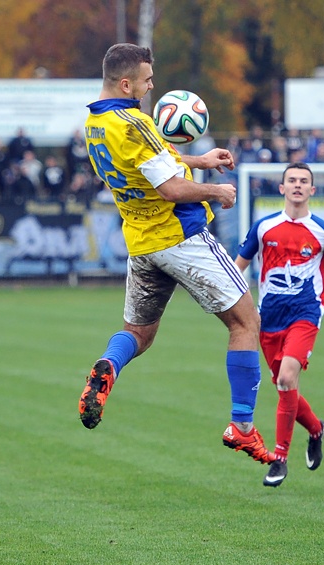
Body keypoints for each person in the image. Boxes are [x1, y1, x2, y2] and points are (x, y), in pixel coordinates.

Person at [77, 43, 273, 468]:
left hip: (142, 245)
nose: (152, 87)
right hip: (182, 236)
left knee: (139, 335)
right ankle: (242, 427)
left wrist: (197, 160)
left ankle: (108, 365)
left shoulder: (96, 123)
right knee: (245, 323)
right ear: (126, 83)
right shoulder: (135, 121)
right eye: (147, 80)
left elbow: (145, 161)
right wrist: (215, 189)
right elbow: (170, 188)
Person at [234, 162, 324, 487]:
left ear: (312, 190)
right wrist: (239, 309)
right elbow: (236, 268)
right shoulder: (263, 228)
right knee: (286, 388)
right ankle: (315, 429)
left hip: (306, 313)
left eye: (304, 181)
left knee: (285, 378)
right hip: (267, 318)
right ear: (282, 188)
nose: (297, 185)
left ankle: (279, 459)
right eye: (291, 180)